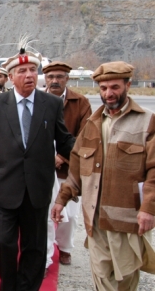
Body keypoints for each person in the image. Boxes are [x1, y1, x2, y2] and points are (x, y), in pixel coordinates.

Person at [0, 42, 75, 290]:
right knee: (2, 243)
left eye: (33, 70)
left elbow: (64, 140)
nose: (29, 75)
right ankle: (8, 285)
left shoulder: (50, 105)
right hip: (3, 186)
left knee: (35, 246)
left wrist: (92, 151)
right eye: (22, 71)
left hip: (37, 188)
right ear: (10, 77)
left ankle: (27, 287)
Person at [52, 61, 155, 290]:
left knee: (124, 280)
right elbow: (76, 169)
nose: (109, 93)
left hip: (126, 219)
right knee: (102, 278)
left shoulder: (147, 121)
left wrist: (149, 208)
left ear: (128, 85)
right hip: (95, 219)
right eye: (104, 88)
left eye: (115, 87)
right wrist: (61, 200)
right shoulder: (91, 124)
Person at [42, 61, 92, 275]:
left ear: (67, 79)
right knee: (44, 215)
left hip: (67, 170)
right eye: (51, 76)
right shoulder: (36, 100)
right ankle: (44, 258)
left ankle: (64, 247)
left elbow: (85, 135)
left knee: (68, 216)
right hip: (42, 169)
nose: (55, 80)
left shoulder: (80, 102)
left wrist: (62, 156)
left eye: (60, 77)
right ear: (45, 78)